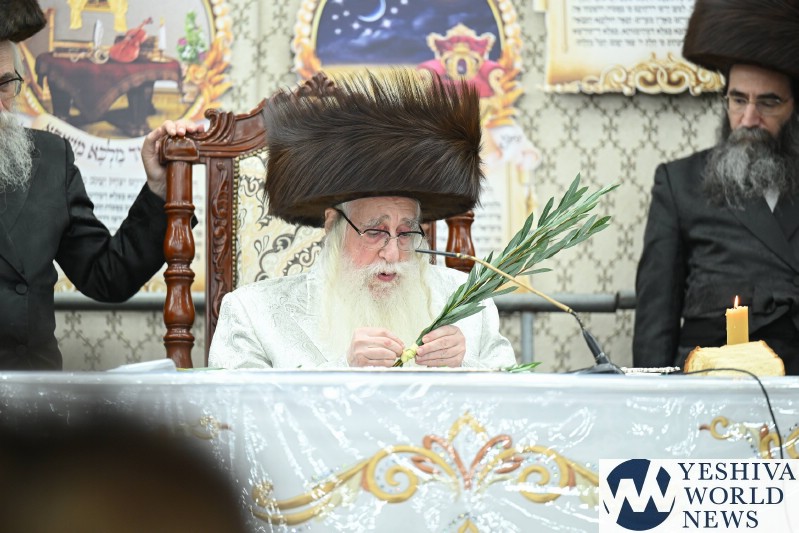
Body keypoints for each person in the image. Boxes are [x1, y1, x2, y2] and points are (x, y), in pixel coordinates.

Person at [209, 70, 516, 369]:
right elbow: (235, 401)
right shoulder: (253, 312)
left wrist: (467, 366)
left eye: (405, 233)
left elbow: (511, 388)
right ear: (333, 224)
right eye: (374, 232)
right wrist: (341, 369)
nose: (392, 254)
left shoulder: (468, 305)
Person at [0, 0, 204, 369]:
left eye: (4, 85)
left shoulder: (50, 158)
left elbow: (107, 277)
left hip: (32, 389)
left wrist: (160, 188)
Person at [633, 0, 799, 375]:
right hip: (711, 384)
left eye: (768, 103)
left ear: (794, 107)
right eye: (738, 100)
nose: (749, 118)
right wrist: (653, 397)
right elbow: (656, 318)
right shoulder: (678, 183)